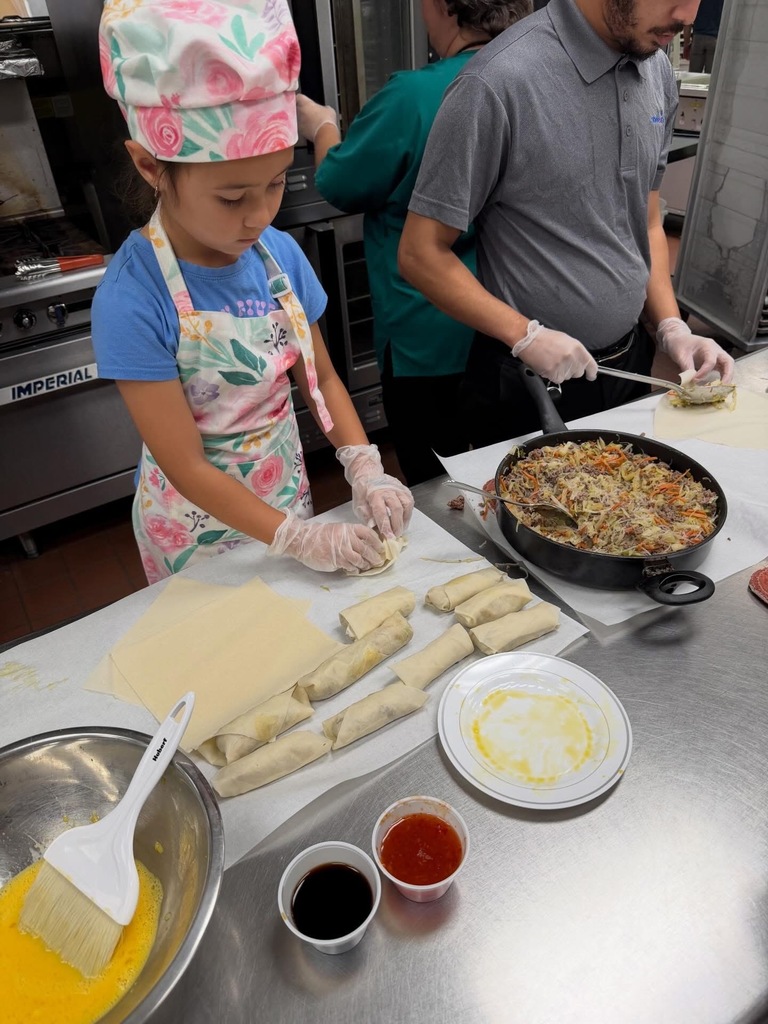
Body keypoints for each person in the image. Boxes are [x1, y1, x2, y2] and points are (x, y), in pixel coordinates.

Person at [93, 0, 413, 584]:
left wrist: (363, 464)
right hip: (194, 530)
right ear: (148, 165)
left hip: (284, 490)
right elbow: (185, 464)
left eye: (274, 185)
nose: (258, 216)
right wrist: (291, 537)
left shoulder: (279, 255)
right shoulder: (132, 297)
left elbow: (323, 379)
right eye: (231, 198)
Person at [398, 0, 735, 449]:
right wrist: (524, 335)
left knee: (632, 511)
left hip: (627, 364)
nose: (688, 15)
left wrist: (672, 326)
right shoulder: (498, 81)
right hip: (529, 382)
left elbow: (646, 221)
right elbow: (421, 253)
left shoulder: (653, 67)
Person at [294, 0, 532, 486]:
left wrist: (322, 126)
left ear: (439, 6)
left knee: (436, 485)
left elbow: (339, 182)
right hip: (516, 326)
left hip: (427, 332)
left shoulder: (415, 96)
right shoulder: (535, 82)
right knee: (507, 475)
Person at [686, 0, 724, 73]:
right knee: (710, 77)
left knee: (694, 77)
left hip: (698, 38)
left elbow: (688, 21)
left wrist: (686, 43)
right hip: (715, 39)